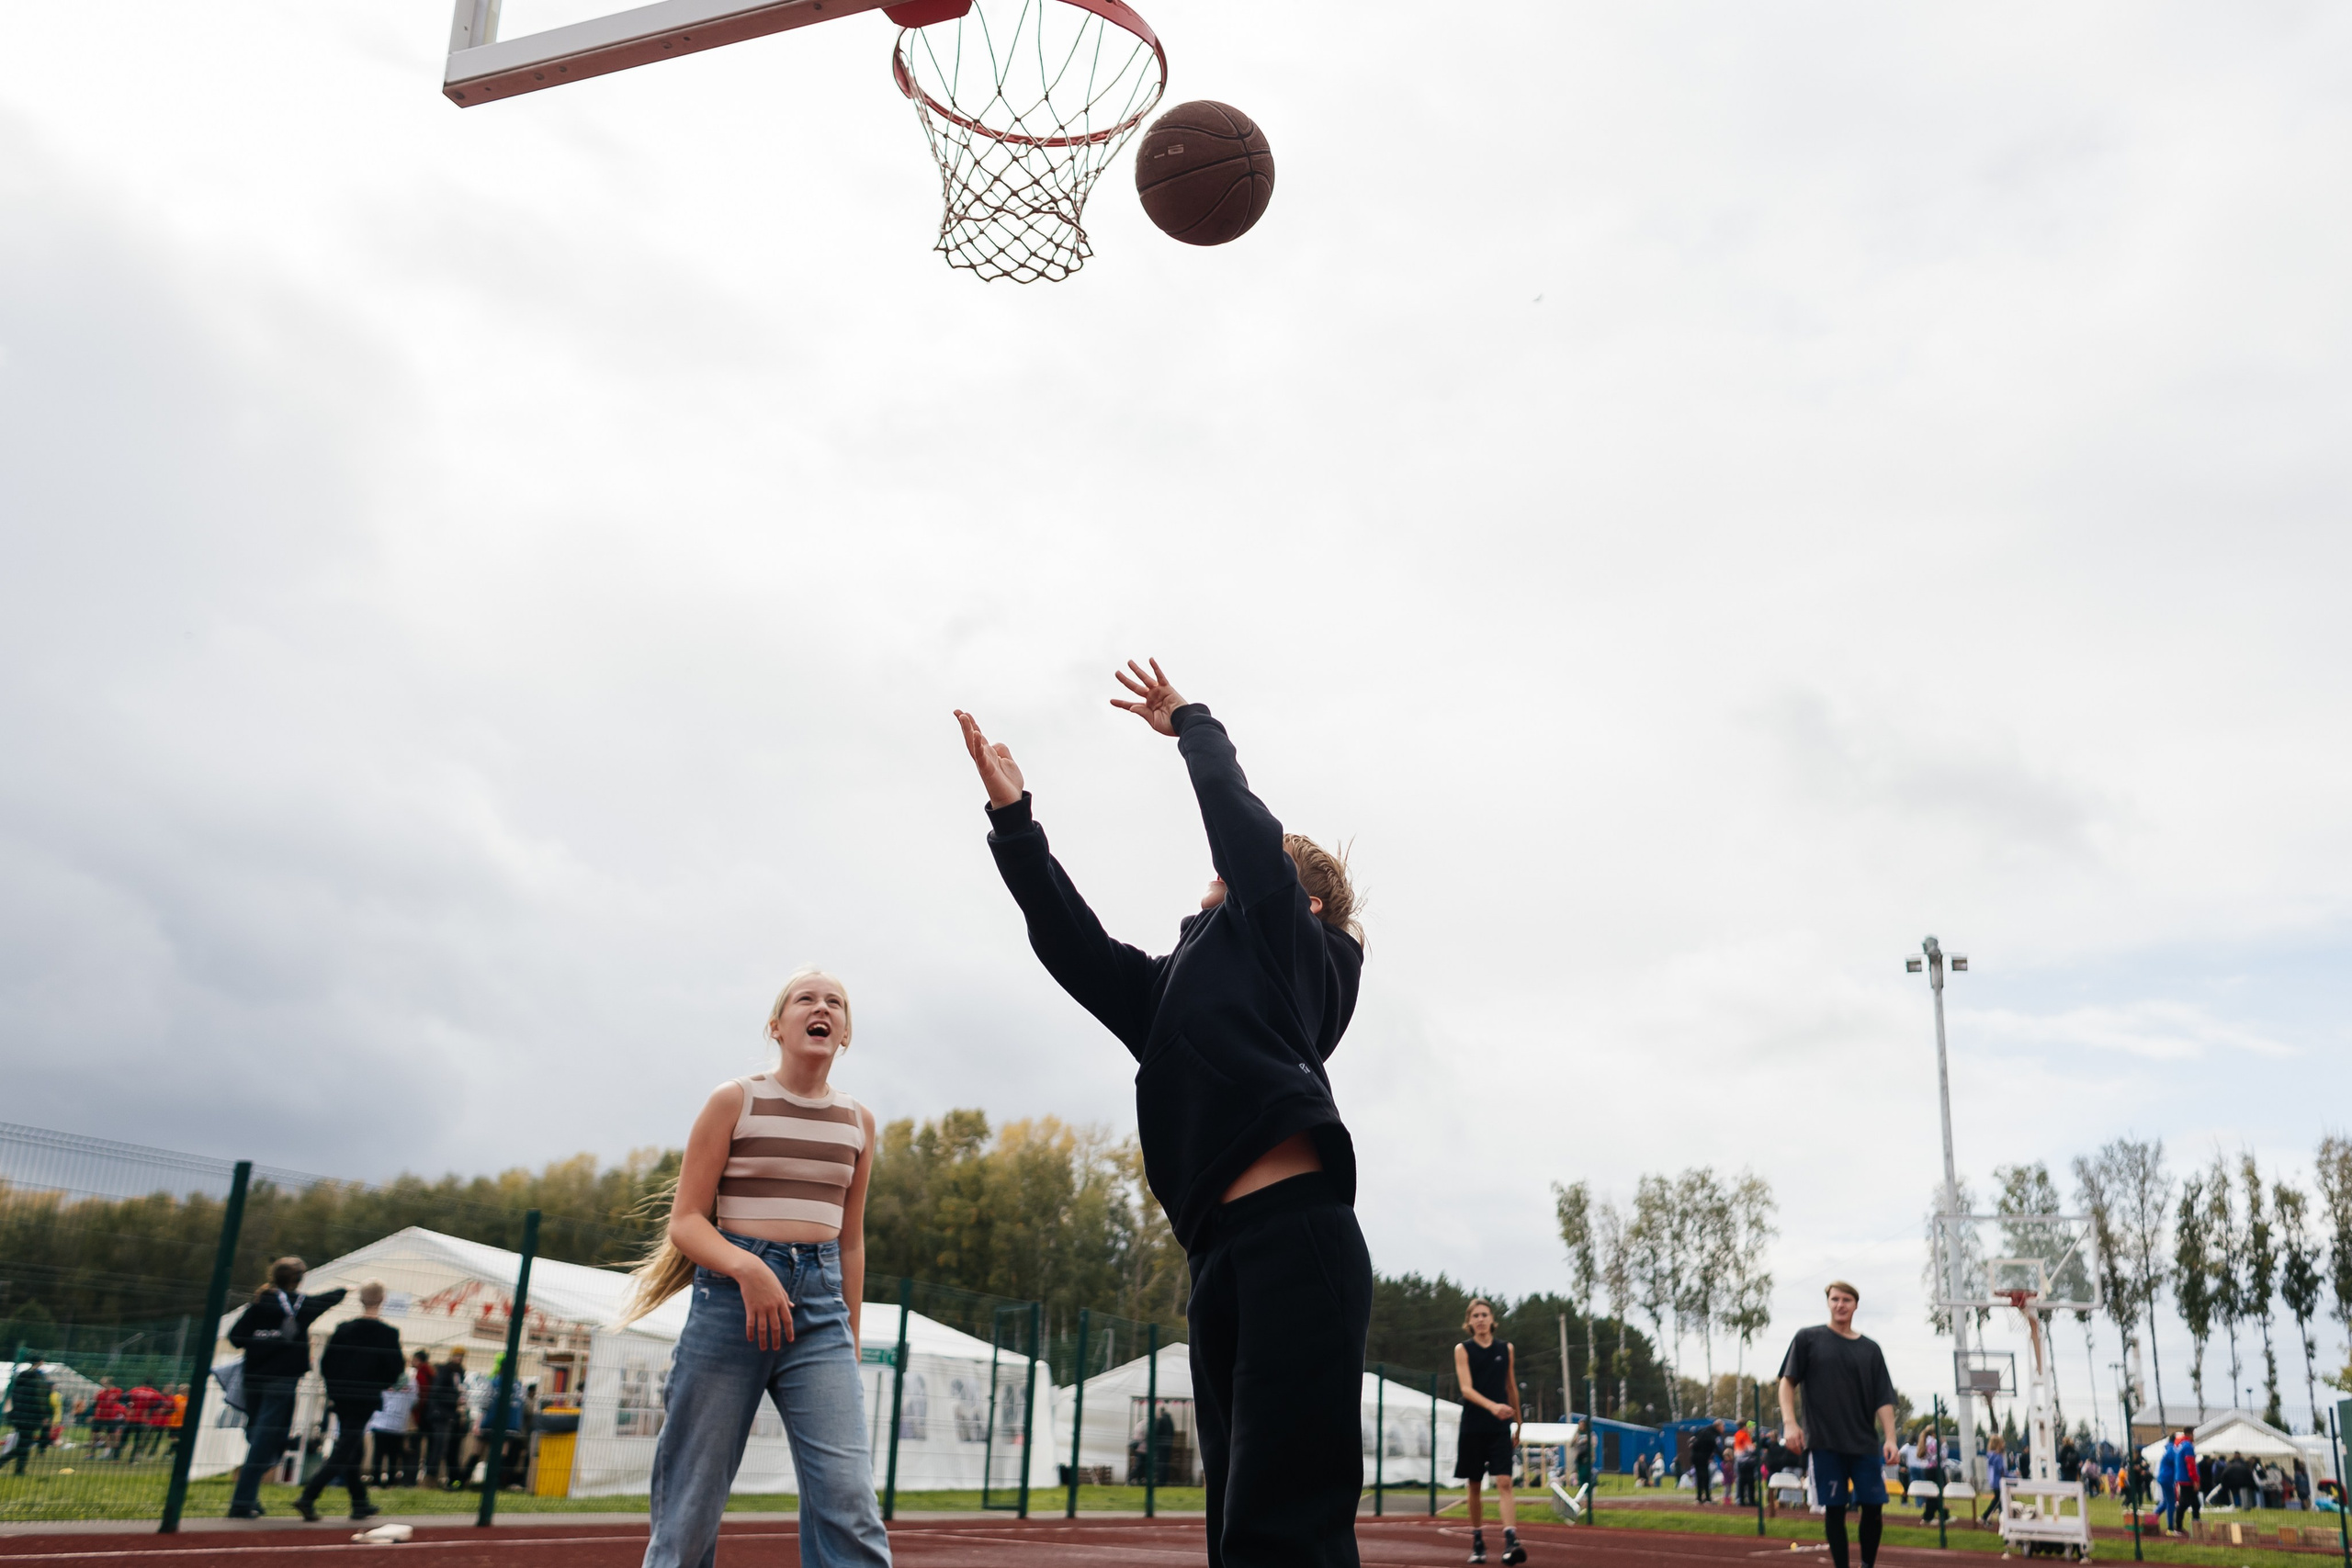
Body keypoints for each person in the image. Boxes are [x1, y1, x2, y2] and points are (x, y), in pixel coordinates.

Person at [957, 662, 1371, 1568]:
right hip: (1216, 1255)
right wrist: (1015, 822)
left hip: (1294, 1239)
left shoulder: (1287, 947)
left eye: (1245, 868)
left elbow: (1241, 824)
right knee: (1237, 1529)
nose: (1219, 868)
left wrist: (1192, 721)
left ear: (1299, 903)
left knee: (1283, 1526)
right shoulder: (1177, 988)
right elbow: (1074, 945)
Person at [617, 967, 892, 1568]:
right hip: (729, 1306)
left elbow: (850, 1242)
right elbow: (686, 1220)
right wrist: (749, 1268)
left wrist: (850, 1337)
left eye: (836, 1003)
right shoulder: (734, 1100)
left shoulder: (859, 1122)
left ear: (844, 1033)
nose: (822, 1007)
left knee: (849, 1499)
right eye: (806, 998)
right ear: (777, 1025)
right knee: (689, 1506)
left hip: (821, 1313)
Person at [1777, 1281, 1898, 1568]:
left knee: (1873, 1507)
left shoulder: (1871, 1350)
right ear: (1828, 1303)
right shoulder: (1808, 1339)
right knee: (1834, 1509)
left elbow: (1884, 1398)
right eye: (1834, 1299)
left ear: (1856, 1305)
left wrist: (1890, 1438)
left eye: (1846, 1300)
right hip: (1825, 1443)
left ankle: (1867, 1564)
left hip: (1864, 1443)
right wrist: (1790, 1423)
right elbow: (1787, 1382)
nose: (1840, 1305)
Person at [225, 1258, 348, 1518]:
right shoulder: (301, 1306)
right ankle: (242, 1500)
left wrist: (261, 1341)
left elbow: (236, 1337)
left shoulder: (259, 1303)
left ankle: (250, 1497)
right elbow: (329, 1298)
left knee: (261, 1435)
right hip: (282, 1381)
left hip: (254, 1378)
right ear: (299, 1279)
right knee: (265, 1439)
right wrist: (346, 1290)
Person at [294, 1279, 404, 1521]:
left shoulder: (343, 1329)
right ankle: (309, 1495)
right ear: (382, 1300)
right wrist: (379, 1384)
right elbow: (395, 1368)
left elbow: (326, 1364)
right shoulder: (388, 1334)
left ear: (360, 1299)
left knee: (352, 1445)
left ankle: (359, 1502)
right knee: (346, 1447)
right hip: (365, 1396)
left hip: (342, 1395)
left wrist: (335, 1389)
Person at [1454, 1301, 1525, 1565]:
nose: (1481, 1319)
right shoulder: (1463, 1349)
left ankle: (1510, 1541)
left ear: (1492, 1319)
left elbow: (1510, 1385)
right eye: (1476, 1315)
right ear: (1469, 1321)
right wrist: (1493, 1406)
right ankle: (1478, 1541)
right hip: (1473, 1426)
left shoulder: (1506, 1349)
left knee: (1505, 1482)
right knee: (1474, 1485)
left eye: (1485, 1315)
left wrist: (1519, 1422)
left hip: (1499, 1429)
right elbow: (1466, 1389)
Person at [5, 1355, 54, 1475]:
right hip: (32, 1416)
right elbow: (41, 1399)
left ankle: (20, 1470)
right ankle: (6, 1463)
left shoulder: (20, 1377)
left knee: (24, 1442)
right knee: (24, 1444)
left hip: (18, 1415)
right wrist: (45, 1415)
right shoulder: (39, 1379)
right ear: (41, 1362)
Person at [367, 1368, 417, 1488]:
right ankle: (390, 1482)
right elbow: (415, 1400)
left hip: (381, 1424)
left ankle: (376, 1482)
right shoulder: (410, 1383)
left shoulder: (383, 1381)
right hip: (398, 1426)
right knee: (393, 1456)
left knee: (378, 1455)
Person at [430, 1348, 469, 1486]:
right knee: (440, 1447)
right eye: (457, 1355)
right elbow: (437, 1392)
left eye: (462, 1356)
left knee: (453, 1448)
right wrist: (455, 1401)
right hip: (442, 1415)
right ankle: (431, 1479)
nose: (459, 1358)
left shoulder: (460, 1372)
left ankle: (454, 1479)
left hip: (454, 1415)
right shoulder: (445, 1371)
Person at [1690, 1419, 1721, 1506]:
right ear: (1718, 1427)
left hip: (1695, 1456)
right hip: (1702, 1458)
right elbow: (1716, 1447)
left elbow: (1693, 1439)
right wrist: (1723, 1459)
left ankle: (1699, 1497)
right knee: (1705, 1477)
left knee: (1700, 1477)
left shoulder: (1703, 1431)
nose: (1723, 1429)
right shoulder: (1712, 1434)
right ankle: (1707, 1498)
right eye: (1723, 1426)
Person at [1982, 1435, 2008, 1522]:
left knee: (2000, 1500)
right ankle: (1986, 1516)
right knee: (1998, 1500)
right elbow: (2001, 1470)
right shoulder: (1998, 1457)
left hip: (1993, 1481)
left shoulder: (1990, 1456)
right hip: (1999, 1481)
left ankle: (1998, 1515)